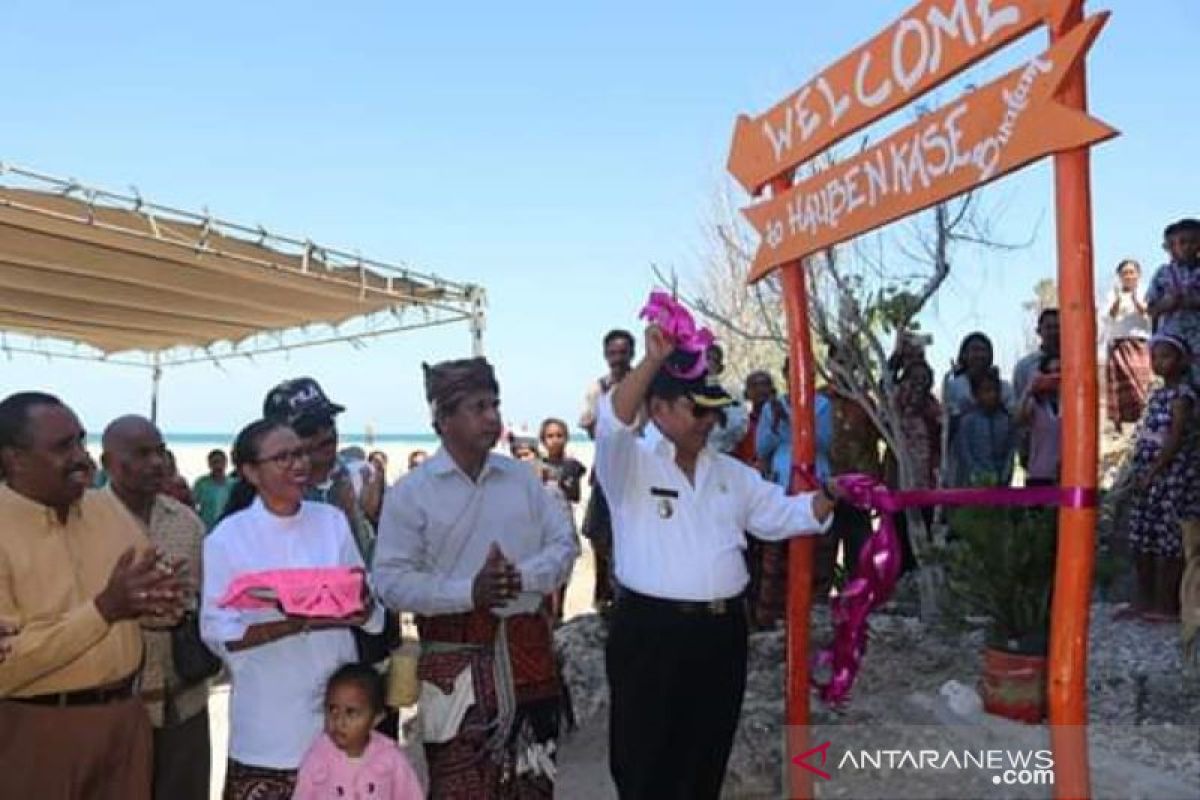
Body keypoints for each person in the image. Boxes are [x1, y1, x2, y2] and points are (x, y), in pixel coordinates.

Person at [596, 325, 838, 800]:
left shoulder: (732, 474)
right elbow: (612, 422)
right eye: (696, 409)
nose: (708, 421)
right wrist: (649, 362)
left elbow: (786, 515)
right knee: (645, 762)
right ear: (658, 409)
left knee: (705, 760)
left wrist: (831, 496)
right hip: (652, 634)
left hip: (722, 634)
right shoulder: (628, 465)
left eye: (712, 411)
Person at [373, 357, 578, 798]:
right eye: (478, 407)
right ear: (443, 418)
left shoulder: (523, 479)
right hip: (454, 673)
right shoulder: (412, 493)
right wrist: (469, 592)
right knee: (459, 788)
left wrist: (520, 579)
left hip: (530, 662)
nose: (492, 418)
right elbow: (389, 582)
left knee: (535, 784)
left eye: (495, 405)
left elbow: (565, 545)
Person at [0, 391, 185, 800]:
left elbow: (144, 603)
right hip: (36, 732)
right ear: (15, 459)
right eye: (63, 447)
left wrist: (160, 602)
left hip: (126, 725)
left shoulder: (108, 509)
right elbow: (6, 666)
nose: (82, 458)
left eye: (82, 441)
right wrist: (105, 609)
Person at [201, 419, 384, 799]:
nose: (298, 464)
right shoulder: (229, 538)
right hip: (269, 723)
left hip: (339, 715)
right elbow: (218, 632)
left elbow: (368, 604)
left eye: (300, 453)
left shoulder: (331, 521)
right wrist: (292, 622)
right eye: (282, 457)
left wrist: (361, 609)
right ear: (251, 472)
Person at [102, 416, 211, 800]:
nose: (156, 463)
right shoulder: (88, 521)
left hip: (184, 692)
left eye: (161, 451)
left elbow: (204, 598)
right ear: (109, 464)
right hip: (116, 698)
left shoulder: (187, 523)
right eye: (142, 454)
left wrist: (182, 604)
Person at [1126, 335, 1199, 622]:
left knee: (1169, 542)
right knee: (1142, 538)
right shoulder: (1156, 395)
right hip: (1147, 476)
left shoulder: (1183, 396)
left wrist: (1154, 471)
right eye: (1155, 357)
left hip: (1172, 477)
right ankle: (1144, 600)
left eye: (1166, 356)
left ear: (1181, 361)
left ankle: (1166, 604)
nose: (1158, 362)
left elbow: (1175, 438)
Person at [263, 377, 375, 561]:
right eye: (309, 429)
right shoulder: (269, 498)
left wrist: (376, 518)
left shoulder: (362, 477)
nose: (325, 434)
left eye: (328, 422)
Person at [294, 663, 423, 800]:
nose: (339, 721)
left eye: (351, 712)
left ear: (376, 718)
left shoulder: (391, 758)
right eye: (332, 709)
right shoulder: (317, 759)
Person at [579, 329, 636, 613]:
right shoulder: (596, 389)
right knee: (599, 533)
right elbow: (591, 429)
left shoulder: (644, 384)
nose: (617, 358)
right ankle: (604, 594)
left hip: (637, 473)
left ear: (632, 354)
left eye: (622, 352)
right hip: (606, 471)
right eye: (612, 353)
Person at [885, 360, 942, 573]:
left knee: (924, 535)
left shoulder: (934, 408)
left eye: (924, 379)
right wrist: (897, 357)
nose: (919, 384)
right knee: (900, 538)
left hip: (928, 484)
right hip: (901, 482)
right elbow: (886, 386)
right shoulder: (895, 409)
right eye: (913, 379)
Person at [942, 332, 1014, 487]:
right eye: (974, 350)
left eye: (983, 350)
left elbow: (1013, 425)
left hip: (997, 462)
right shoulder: (954, 386)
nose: (979, 355)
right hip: (963, 463)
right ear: (964, 354)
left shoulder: (1005, 387)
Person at [1147, 218, 1200, 383]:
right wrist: (1166, 304)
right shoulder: (1163, 274)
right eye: (1182, 242)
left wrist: (1194, 302)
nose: (1187, 247)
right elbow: (1151, 310)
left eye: (1193, 242)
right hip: (1173, 344)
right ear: (1172, 246)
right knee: (1179, 392)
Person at [1105, 259, 1153, 432]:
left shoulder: (1146, 291)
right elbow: (1109, 315)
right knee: (1119, 387)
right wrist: (1119, 299)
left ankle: (1146, 419)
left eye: (1131, 272)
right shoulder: (1113, 294)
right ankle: (1119, 427)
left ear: (1138, 275)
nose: (1128, 276)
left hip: (1139, 343)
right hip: (1119, 343)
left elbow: (1148, 313)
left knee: (1141, 384)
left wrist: (1135, 298)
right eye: (1124, 273)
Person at [951, 369, 1016, 487]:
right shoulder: (968, 421)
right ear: (976, 394)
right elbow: (964, 451)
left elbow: (1010, 450)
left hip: (1001, 480)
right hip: (974, 482)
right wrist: (976, 473)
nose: (992, 395)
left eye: (996, 391)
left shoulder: (1005, 420)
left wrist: (1005, 474)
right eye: (987, 391)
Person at [1018, 355, 1062, 486]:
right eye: (1050, 372)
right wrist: (1029, 390)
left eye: (1059, 371)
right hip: (1039, 475)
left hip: (1065, 474)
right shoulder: (1035, 404)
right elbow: (1019, 419)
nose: (1054, 376)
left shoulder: (1072, 404)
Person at [704, 344, 749, 454]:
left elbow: (739, 429)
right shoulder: (685, 393)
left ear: (720, 367)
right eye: (705, 358)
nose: (707, 363)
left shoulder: (733, 394)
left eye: (713, 359)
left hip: (722, 456)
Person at [193, 448, 234, 532]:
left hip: (228, 528)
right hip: (207, 529)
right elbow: (192, 504)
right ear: (209, 464)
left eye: (220, 462)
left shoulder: (233, 485)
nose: (218, 466)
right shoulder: (201, 483)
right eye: (214, 462)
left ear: (226, 463)